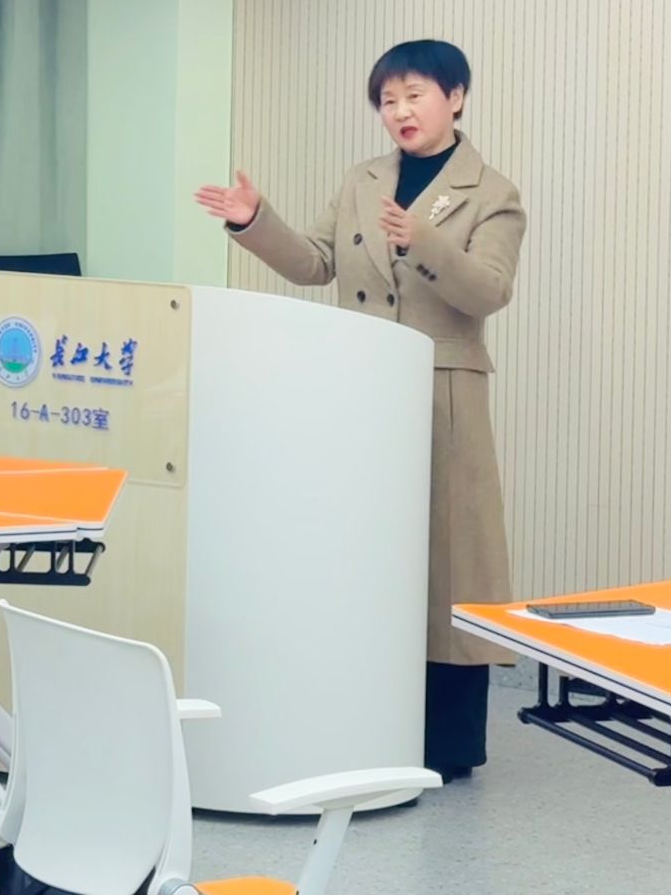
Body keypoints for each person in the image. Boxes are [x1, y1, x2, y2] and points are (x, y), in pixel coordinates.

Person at [196, 39, 526, 781]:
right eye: (387, 100)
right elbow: (316, 263)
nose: (400, 111)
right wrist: (255, 220)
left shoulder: (492, 192)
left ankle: (446, 744)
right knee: (364, 554)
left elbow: (488, 292)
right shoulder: (363, 180)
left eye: (415, 95)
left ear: (456, 97)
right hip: (362, 388)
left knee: (447, 562)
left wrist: (424, 240)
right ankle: (362, 715)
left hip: (442, 392)